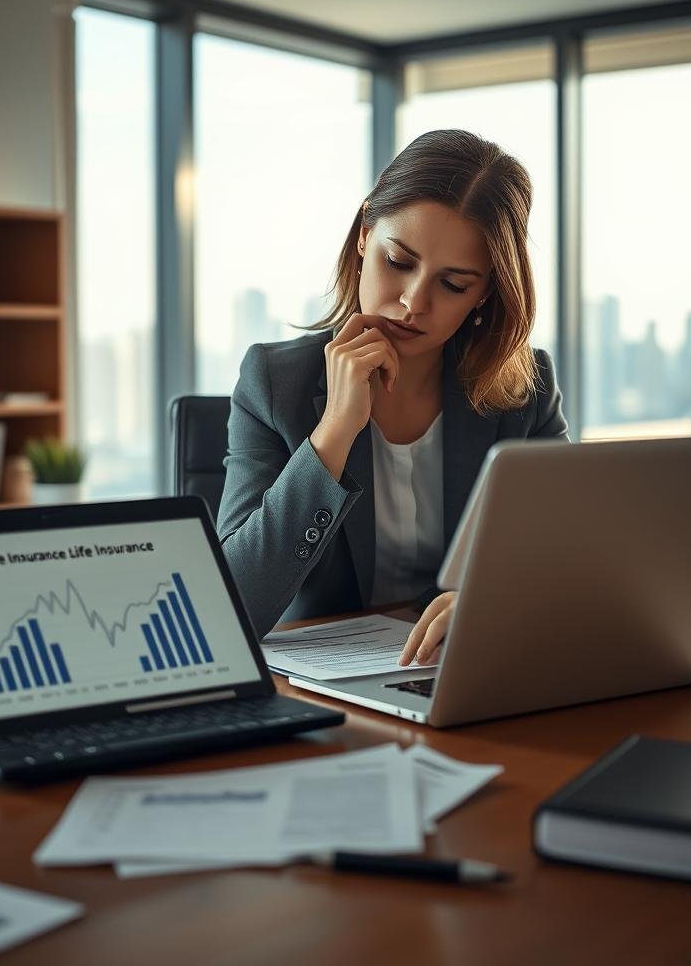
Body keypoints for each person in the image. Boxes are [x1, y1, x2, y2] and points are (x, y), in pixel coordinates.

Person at [217, 128, 568, 667]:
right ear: (364, 234)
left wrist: (492, 604)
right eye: (399, 262)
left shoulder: (524, 392)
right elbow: (229, 606)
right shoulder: (273, 383)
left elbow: (569, 560)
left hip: (456, 673)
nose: (412, 302)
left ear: (485, 293)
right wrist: (333, 433)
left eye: (453, 285)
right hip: (320, 691)